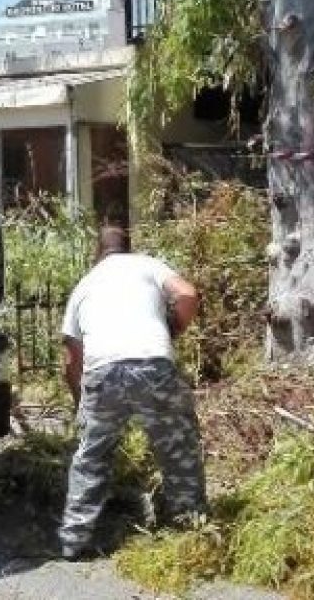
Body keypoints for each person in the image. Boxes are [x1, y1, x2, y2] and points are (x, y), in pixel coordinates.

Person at [57, 225, 207, 561]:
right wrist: (174, 329)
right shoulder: (148, 265)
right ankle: (190, 528)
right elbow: (187, 295)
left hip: (100, 373)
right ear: (130, 248)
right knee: (178, 445)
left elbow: (71, 359)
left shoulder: (84, 285)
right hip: (152, 364)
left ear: (98, 253)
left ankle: (75, 540)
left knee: (91, 457)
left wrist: (82, 404)